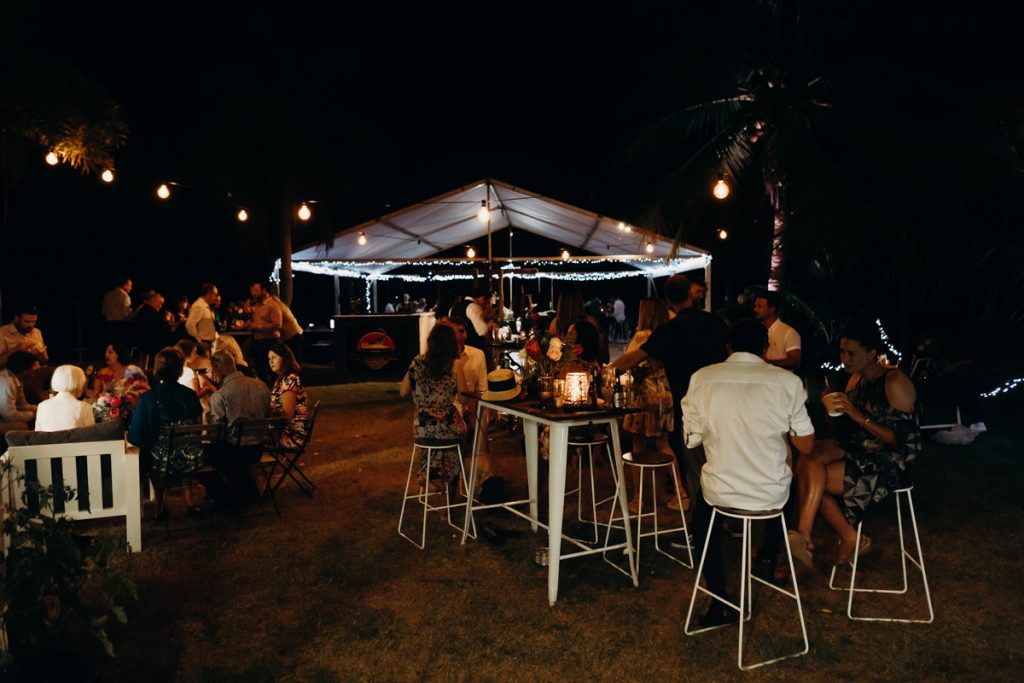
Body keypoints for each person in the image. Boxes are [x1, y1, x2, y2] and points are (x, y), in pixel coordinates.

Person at [681, 319, 815, 625]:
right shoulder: (788, 383)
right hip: (771, 493)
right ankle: (768, 555)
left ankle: (719, 602)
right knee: (788, 477)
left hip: (720, 492)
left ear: (728, 347)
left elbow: (692, 439)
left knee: (701, 525)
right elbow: (806, 446)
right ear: (766, 348)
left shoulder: (702, 378)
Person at [791, 320, 920, 568]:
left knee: (813, 479)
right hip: (859, 447)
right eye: (842, 352)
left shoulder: (894, 382)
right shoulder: (856, 381)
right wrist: (834, 412)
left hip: (889, 460)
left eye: (852, 353)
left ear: (871, 353)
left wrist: (860, 417)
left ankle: (846, 537)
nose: (845, 358)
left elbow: (901, 441)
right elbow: (846, 431)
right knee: (809, 453)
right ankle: (808, 533)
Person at [611, 274, 728, 509]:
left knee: (694, 463)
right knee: (719, 458)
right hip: (720, 399)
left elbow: (637, 357)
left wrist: (611, 367)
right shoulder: (715, 322)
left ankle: (702, 517)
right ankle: (723, 509)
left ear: (667, 300)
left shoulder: (670, 329)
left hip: (687, 402)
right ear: (690, 293)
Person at [127, 347, 205, 514]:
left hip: (161, 459)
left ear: (157, 370)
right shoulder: (190, 395)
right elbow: (198, 427)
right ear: (179, 370)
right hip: (190, 456)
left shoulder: (148, 398)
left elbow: (135, 435)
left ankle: (161, 504)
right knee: (184, 448)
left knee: (150, 453)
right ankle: (190, 503)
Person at [621, 298, 679, 511]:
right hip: (664, 391)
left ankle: (638, 497)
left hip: (645, 394)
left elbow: (632, 362)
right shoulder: (666, 336)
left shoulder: (643, 336)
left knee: (638, 447)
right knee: (664, 444)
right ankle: (680, 492)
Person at [399, 324, 467, 489]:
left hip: (422, 428)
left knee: (434, 442)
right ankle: (448, 493)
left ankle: (428, 473)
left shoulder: (417, 362)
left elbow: (402, 391)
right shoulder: (455, 365)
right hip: (448, 426)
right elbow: (464, 399)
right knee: (462, 438)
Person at [205, 350, 272, 504]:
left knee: (206, 457)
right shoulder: (260, 385)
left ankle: (227, 499)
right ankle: (244, 491)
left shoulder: (220, 396)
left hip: (235, 451)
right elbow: (268, 413)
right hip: (259, 448)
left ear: (215, 368)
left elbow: (216, 431)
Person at [267, 342, 310, 450]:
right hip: (283, 431)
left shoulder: (289, 381)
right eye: (269, 359)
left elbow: (287, 415)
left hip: (291, 435)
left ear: (284, 358)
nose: (271, 361)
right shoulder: (281, 379)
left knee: (250, 442)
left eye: (274, 357)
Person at [35, 365, 95, 431]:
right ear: (79, 384)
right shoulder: (84, 407)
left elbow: (38, 434)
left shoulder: (42, 406)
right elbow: (91, 435)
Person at [754, 291, 801, 371]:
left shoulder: (788, 332)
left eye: (759, 306)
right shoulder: (754, 329)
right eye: (756, 306)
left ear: (772, 309)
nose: (755, 309)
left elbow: (794, 362)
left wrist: (768, 364)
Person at [247, 281, 283, 384]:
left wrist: (258, 326)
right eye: (252, 291)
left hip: (270, 341)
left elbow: (277, 324)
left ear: (264, 290)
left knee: (272, 369)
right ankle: (265, 392)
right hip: (258, 341)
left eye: (256, 291)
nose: (253, 293)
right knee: (260, 368)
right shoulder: (257, 306)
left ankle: (276, 392)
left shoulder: (273, 305)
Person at [132, 290, 174, 360]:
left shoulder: (144, 310)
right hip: (148, 342)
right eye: (160, 304)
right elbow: (163, 328)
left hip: (142, 340)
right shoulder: (150, 312)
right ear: (154, 301)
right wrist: (169, 322)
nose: (161, 306)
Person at [0, 351, 38, 425]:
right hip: (3, 417)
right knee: (23, 426)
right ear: (25, 370)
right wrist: (34, 414)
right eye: (34, 367)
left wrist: (41, 408)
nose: (37, 369)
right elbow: (9, 415)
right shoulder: (7, 382)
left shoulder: (18, 379)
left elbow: (22, 405)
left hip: (4, 415)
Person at [451, 286, 491, 356]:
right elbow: (482, 331)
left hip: (456, 350)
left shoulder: (453, 308)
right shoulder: (474, 307)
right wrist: (489, 322)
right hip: (474, 350)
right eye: (488, 302)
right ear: (483, 299)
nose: (489, 305)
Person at [268, 283, 303, 361]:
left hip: (291, 335)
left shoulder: (273, 303)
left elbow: (276, 323)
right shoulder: (276, 300)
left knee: (291, 360)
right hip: (295, 332)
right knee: (293, 359)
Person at [101, 277, 133, 347]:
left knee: (112, 348)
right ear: (124, 285)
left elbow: (103, 312)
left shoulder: (107, 295)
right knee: (122, 347)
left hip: (109, 324)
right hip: (120, 325)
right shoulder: (125, 296)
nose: (131, 288)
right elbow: (126, 314)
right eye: (130, 285)